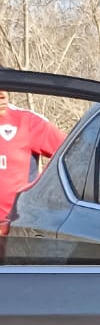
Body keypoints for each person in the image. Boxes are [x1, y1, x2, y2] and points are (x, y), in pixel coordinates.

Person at [0, 82, 67, 233]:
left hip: (13, 234)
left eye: (4, 86)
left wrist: (47, 196)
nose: (2, 94)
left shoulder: (26, 122)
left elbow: (75, 154)